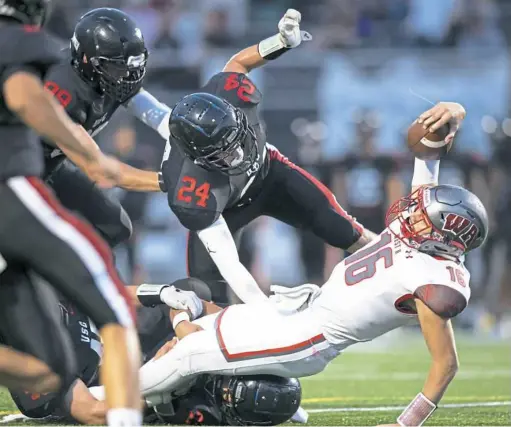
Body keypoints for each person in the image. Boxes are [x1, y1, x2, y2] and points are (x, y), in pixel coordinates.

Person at [111, 103, 486, 427]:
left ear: (442, 239)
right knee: (195, 327)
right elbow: (427, 153)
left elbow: (446, 364)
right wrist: (454, 112)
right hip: (299, 307)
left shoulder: (435, 278)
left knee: (189, 356)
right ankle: (151, 398)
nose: (409, 210)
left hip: (308, 340)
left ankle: (102, 400)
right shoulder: (417, 234)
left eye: (421, 216)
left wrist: (408, 422)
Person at [138, 9, 376, 304]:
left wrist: (280, 42)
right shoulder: (193, 190)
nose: (237, 152)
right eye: (222, 151)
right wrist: (264, 311)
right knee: (208, 297)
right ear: (201, 159)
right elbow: (232, 266)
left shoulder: (230, 94)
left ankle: (412, 274)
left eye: (234, 137)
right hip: (228, 208)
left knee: (348, 232)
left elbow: (238, 63)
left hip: (269, 173)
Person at [0, 1, 142, 425]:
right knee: (112, 309)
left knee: (50, 371)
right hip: (15, 184)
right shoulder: (25, 46)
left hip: (27, 182)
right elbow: (26, 98)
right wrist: (86, 151)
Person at [7, 279, 302, 426]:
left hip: (125, 346)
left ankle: (258, 344)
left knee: (190, 289)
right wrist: (162, 377)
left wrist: (166, 300)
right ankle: (228, 394)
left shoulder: (41, 282)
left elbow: (110, 290)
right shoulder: (29, 363)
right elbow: (94, 412)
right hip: (122, 386)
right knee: (199, 408)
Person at [42, 7, 169, 250]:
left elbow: (148, 108)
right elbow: (99, 170)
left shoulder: (106, 77)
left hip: (51, 167)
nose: (128, 76)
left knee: (114, 226)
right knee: (43, 247)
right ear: (88, 61)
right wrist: (168, 182)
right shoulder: (61, 93)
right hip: (15, 176)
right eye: (118, 67)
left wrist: (180, 129)